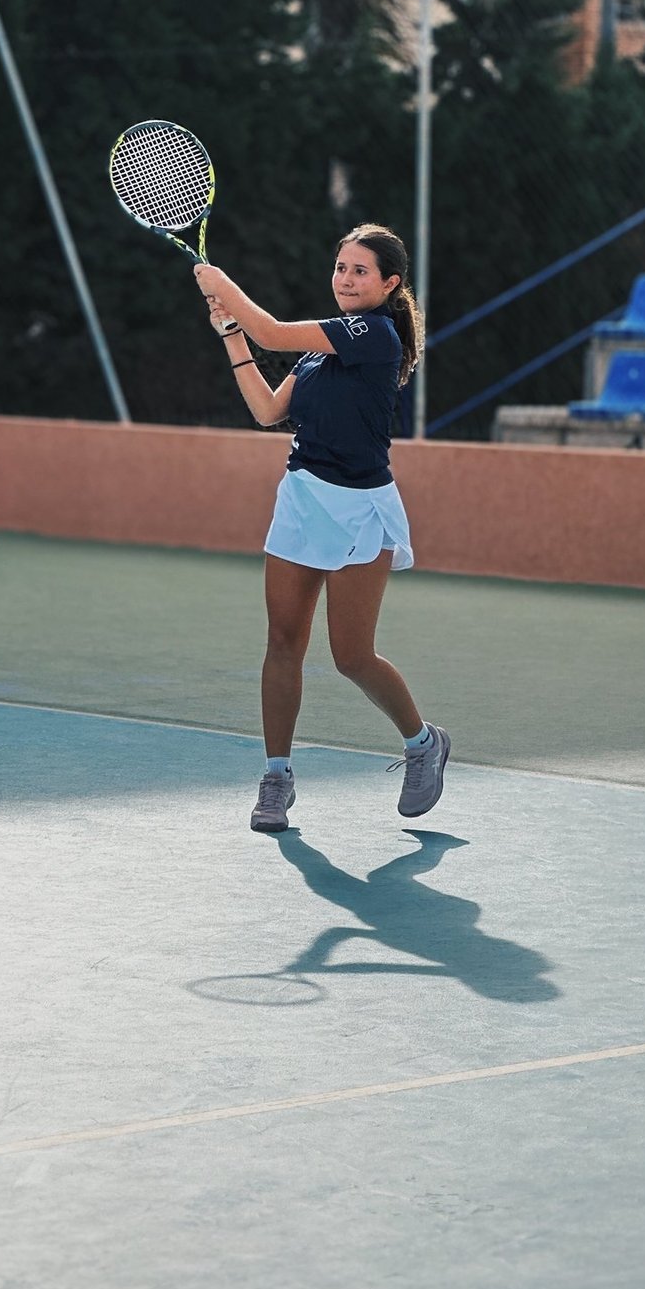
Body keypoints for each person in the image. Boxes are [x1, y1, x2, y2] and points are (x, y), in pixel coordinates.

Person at [193, 225, 450, 834]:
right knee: (283, 641)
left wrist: (221, 282)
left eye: (360, 271)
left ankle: (423, 743)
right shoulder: (320, 350)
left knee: (351, 656)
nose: (346, 279)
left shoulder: (375, 334)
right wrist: (232, 334)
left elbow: (273, 331)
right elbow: (267, 411)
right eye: (340, 267)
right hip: (302, 499)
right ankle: (276, 777)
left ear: (389, 284)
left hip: (361, 509)